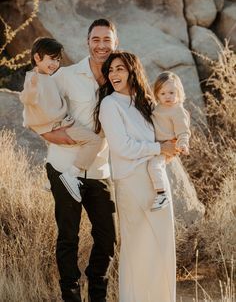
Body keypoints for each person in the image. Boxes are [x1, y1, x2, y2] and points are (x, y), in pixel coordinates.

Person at [41, 20, 118, 302]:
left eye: (106, 40)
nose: (101, 45)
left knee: (107, 238)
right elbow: (39, 105)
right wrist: (51, 134)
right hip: (63, 167)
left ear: (115, 43)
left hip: (99, 171)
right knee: (68, 238)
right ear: (87, 42)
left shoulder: (119, 78)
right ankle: (71, 296)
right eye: (96, 39)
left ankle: (97, 295)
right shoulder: (68, 75)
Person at [94, 51, 177, 302]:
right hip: (132, 184)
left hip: (157, 182)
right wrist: (159, 148)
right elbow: (122, 148)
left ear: (132, 71)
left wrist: (171, 146)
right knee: (138, 251)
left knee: (162, 249)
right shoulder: (110, 105)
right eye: (110, 70)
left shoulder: (147, 104)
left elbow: (163, 137)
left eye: (120, 68)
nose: (114, 74)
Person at [20, 37, 104, 202]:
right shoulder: (35, 79)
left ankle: (54, 180)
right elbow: (27, 99)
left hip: (62, 122)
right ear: (37, 58)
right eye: (52, 58)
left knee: (94, 134)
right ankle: (71, 175)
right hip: (61, 125)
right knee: (94, 141)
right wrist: (31, 91)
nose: (55, 63)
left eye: (58, 60)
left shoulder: (47, 78)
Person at [148, 71, 191, 211]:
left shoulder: (177, 110)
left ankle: (162, 195)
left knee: (154, 166)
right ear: (157, 95)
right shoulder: (158, 107)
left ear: (178, 92)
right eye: (163, 93)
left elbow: (183, 131)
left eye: (171, 93)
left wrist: (183, 143)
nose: (167, 97)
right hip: (156, 144)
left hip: (168, 145)